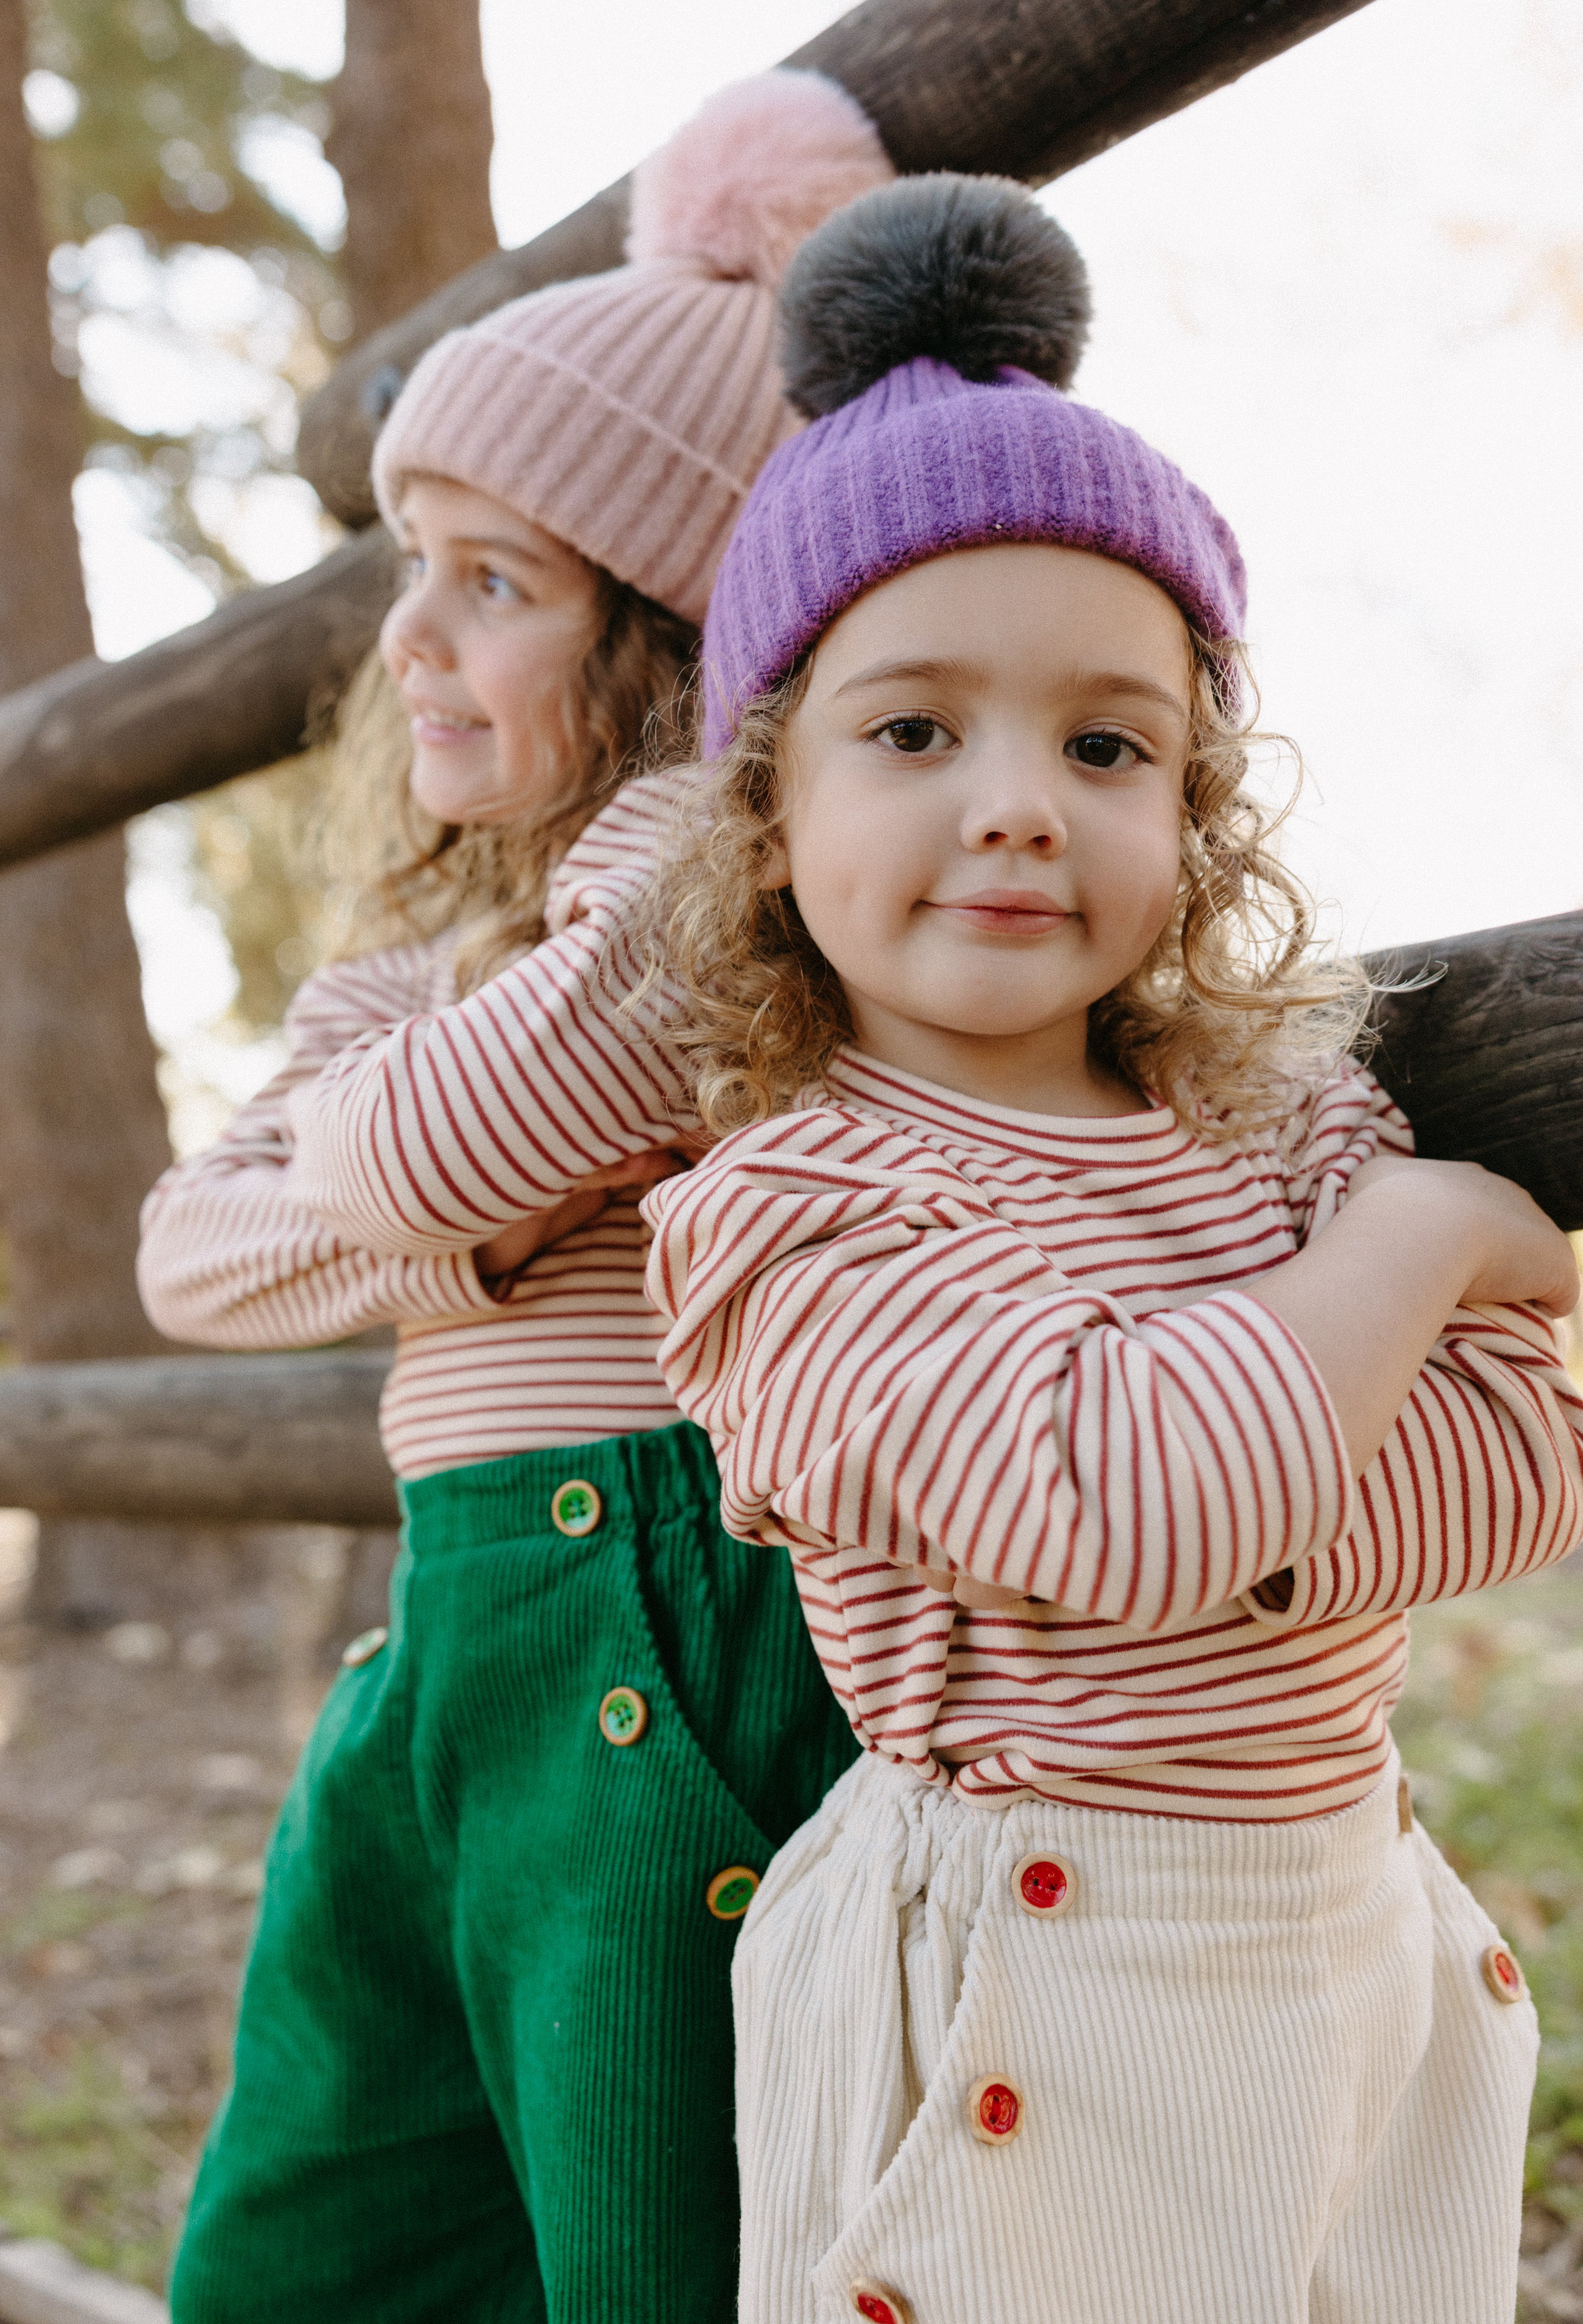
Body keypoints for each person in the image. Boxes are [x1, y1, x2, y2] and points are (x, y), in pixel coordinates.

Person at [280, 174, 1583, 2324]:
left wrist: (1237, 1455)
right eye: (913, 730)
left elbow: (1518, 1464)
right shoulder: (787, 1215)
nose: (1016, 801)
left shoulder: (1267, 1123)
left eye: (1106, 743)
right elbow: (1133, 1497)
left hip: (1348, 1926)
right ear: (769, 819)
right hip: (1029, 1983)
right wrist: (1417, 1255)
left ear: (1196, 806)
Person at [136, 69, 891, 2324]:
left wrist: (400, 1147)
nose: (415, 641)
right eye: (413, 573)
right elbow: (193, 1252)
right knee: (299, 2252)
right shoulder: (433, 957)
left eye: (499, 585)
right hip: (451, 1643)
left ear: (669, 642)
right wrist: (489, 1197)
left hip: (654, 1601)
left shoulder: (707, 871)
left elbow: (390, 1146)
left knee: (654, 2256)